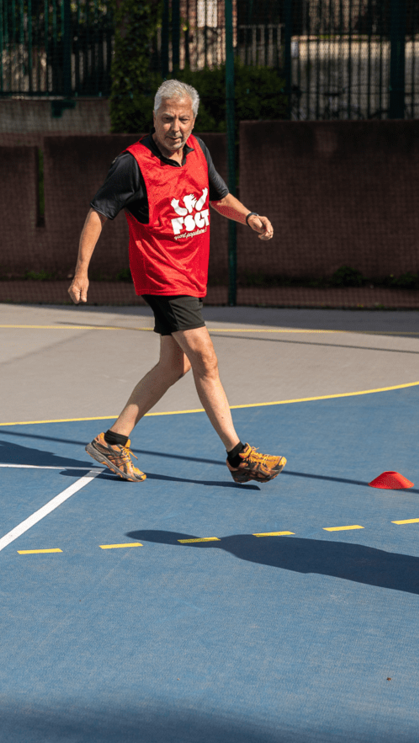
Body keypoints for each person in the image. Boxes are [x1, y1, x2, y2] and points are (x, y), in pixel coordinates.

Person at [67, 79, 285, 485]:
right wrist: (82, 270)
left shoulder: (199, 151)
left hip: (189, 275)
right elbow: (98, 212)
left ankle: (113, 439)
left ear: (194, 120)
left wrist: (249, 216)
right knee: (205, 357)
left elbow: (217, 198)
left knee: (175, 364)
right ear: (154, 118)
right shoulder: (132, 163)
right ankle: (238, 456)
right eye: (167, 118)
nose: (176, 127)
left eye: (183, 119)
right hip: (162, 275)